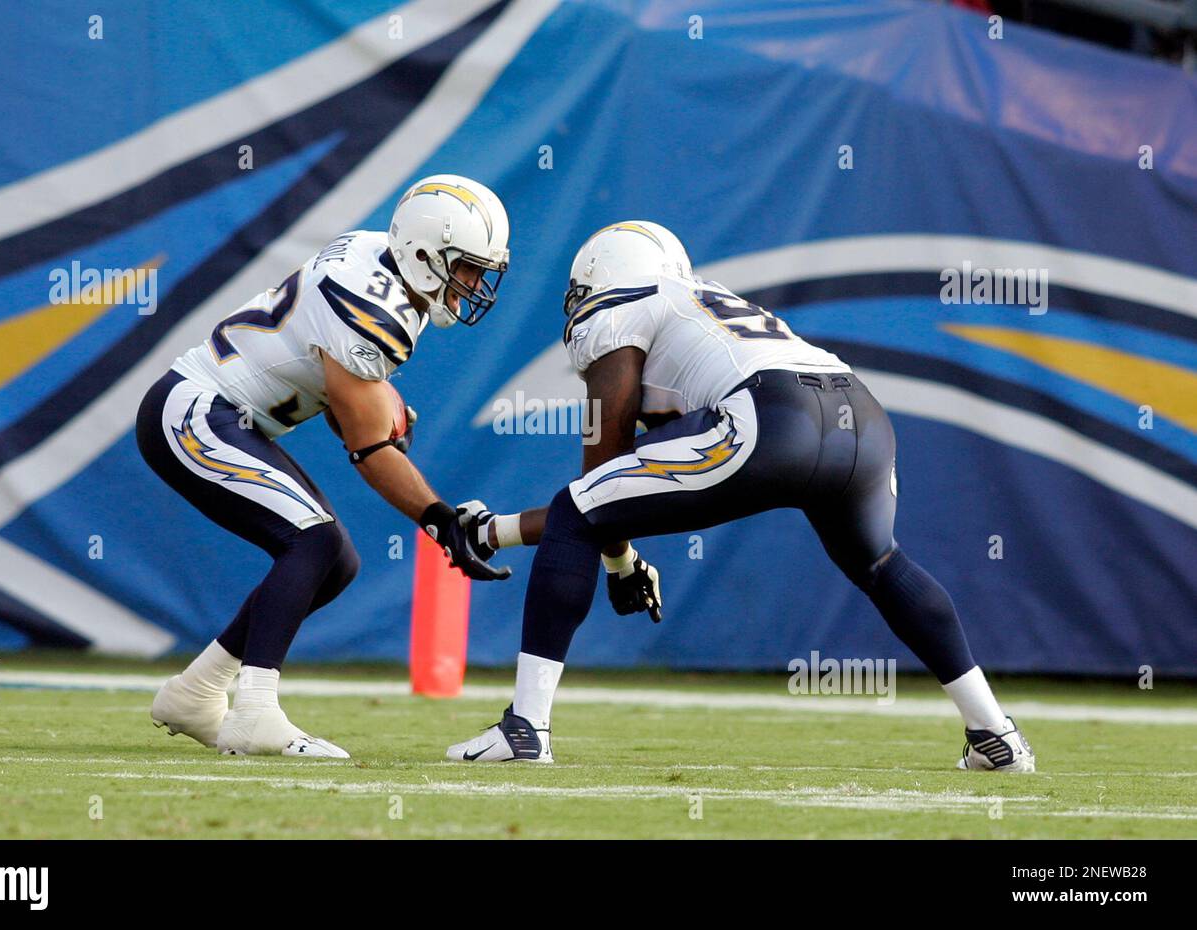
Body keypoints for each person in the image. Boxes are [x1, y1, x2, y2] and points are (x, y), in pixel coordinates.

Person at [447, 220, 1035, 772]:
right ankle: (995, 734)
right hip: (860, 414)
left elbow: (598, 484)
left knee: (578, 507)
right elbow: (618, 493)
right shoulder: (701, 304)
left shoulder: (623, 307)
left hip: (775, 415)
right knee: (881, 564)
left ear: (600, 281)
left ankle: (525, 729)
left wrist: (614, 560)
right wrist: (506, 531)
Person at [135, 175, 512, 758]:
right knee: (311, 541)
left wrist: (375, 395)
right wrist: (439, 520)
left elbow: (346, 400)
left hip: (223, 415)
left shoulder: (373, 257)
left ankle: (197, 691)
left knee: (336, 561)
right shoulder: (368, 306)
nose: (472, 284)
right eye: (463, 267)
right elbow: (367, 449)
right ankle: (255, 711)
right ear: (421, 252)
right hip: (194, 412)